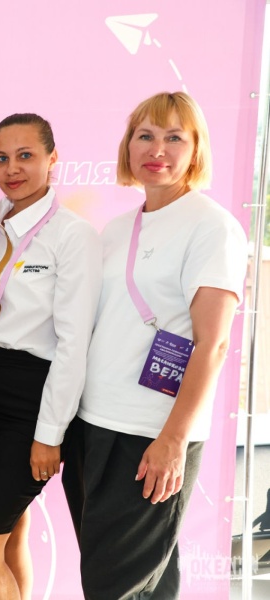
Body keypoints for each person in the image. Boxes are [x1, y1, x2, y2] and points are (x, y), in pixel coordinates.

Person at [62, 91, 248, 599]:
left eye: (174, 138)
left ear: (196, 149)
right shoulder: (116, 228)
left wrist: (173, 440)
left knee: (115, 588)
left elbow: (213, 344)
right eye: (144, 135)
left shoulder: (213, 228)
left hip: (150, 434)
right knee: (146, 584)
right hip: (93, 426)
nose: (157, 149)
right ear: (128, 146)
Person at [0, 113, 102, 600]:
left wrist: (49, 433)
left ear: (52, 158)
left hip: (31, 398)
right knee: (9, 530)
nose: (12, 168)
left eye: (26, 156)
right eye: (2, 158)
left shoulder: (72, 235)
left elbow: (74, 344)